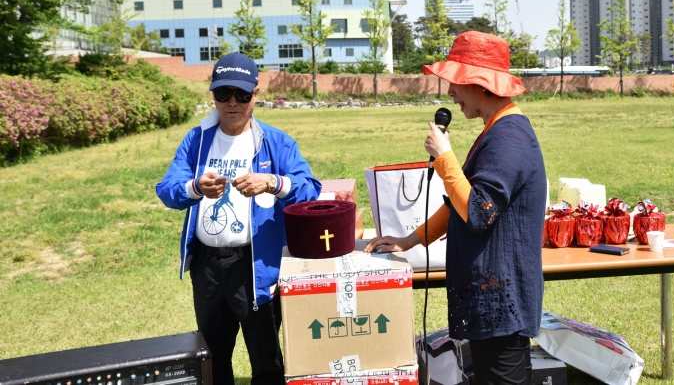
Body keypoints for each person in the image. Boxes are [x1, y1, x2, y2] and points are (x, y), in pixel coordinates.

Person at [365, 31, 547, 385]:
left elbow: (478, 212)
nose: (450, 92)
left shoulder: (509, 138)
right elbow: (459, 205)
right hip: (493, 295)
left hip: (500, 298)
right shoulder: (496, 130)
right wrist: (409, 240)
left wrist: (445, 157)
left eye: (455, 82)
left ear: (481, 85)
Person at [156, 52, 321, 385]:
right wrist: (195, 187)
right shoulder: (197, 139)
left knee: (266, 359)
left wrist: (272, 182)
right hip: (207, 266)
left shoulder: (275, 142)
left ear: (255, 94)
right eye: (223, 93)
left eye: (242, 94)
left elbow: (310, 189)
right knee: (213, 359)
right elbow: (167, 190)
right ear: (213, 95)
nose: (232, 102)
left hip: (255, 264)